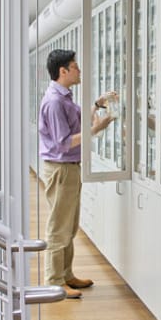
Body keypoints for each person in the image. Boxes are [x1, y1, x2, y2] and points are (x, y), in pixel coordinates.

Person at [38, 49, 114, 298]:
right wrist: (95, 129)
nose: (79, 70)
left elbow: (77, 125)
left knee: (69, 226)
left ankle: (66, 275)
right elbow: (63, 143)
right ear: (63, 71)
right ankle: (55, 281)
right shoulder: (55, 101)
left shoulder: (65, 97)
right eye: (75, 66)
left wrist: (96, 105)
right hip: (61, 169)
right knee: (59, 227)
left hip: (69, 168)